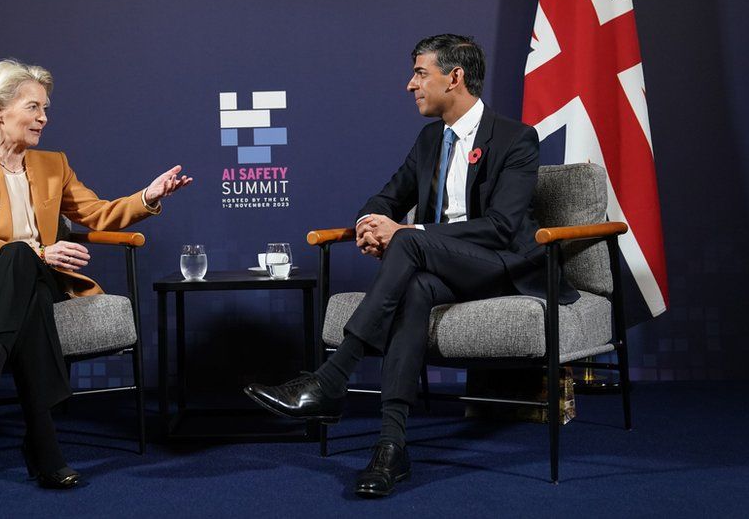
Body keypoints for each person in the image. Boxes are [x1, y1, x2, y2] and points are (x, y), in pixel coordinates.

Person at [244, 34, 578, 498]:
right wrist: (367, 223)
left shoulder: (515, 138)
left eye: (420, 73)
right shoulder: (429, 140)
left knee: (408, 243)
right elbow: (387, 196)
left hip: (504, 267)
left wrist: (405, 232)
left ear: (454, 77)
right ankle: (391, 446)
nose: (410, 85)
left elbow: (502, 227)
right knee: (415, 287)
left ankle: (332, 377)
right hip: (443, 267)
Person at [0, 59, 192, 489]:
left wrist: (147, 197)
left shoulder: (53, 164)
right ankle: (43, 447)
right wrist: (39, 250)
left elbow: (96, 213)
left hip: (34, 279)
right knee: (22, 266)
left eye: (45, 108)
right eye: (33, 107)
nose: (44, 117)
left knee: (27, 272)